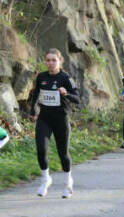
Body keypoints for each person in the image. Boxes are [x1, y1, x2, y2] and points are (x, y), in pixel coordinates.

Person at [30, 48, 80, 198]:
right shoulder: (41, 77)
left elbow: (77, 99)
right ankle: (46, 179)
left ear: (60, 61)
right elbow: (35, 94)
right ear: (45, 61)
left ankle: (68, 182)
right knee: (41, 149)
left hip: (60, 119)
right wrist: (33, 111)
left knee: (63, 153)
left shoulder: (65, 78)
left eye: (54, 60)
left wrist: (66, 93)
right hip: (44, 118)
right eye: (48, 60)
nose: (50, 63)